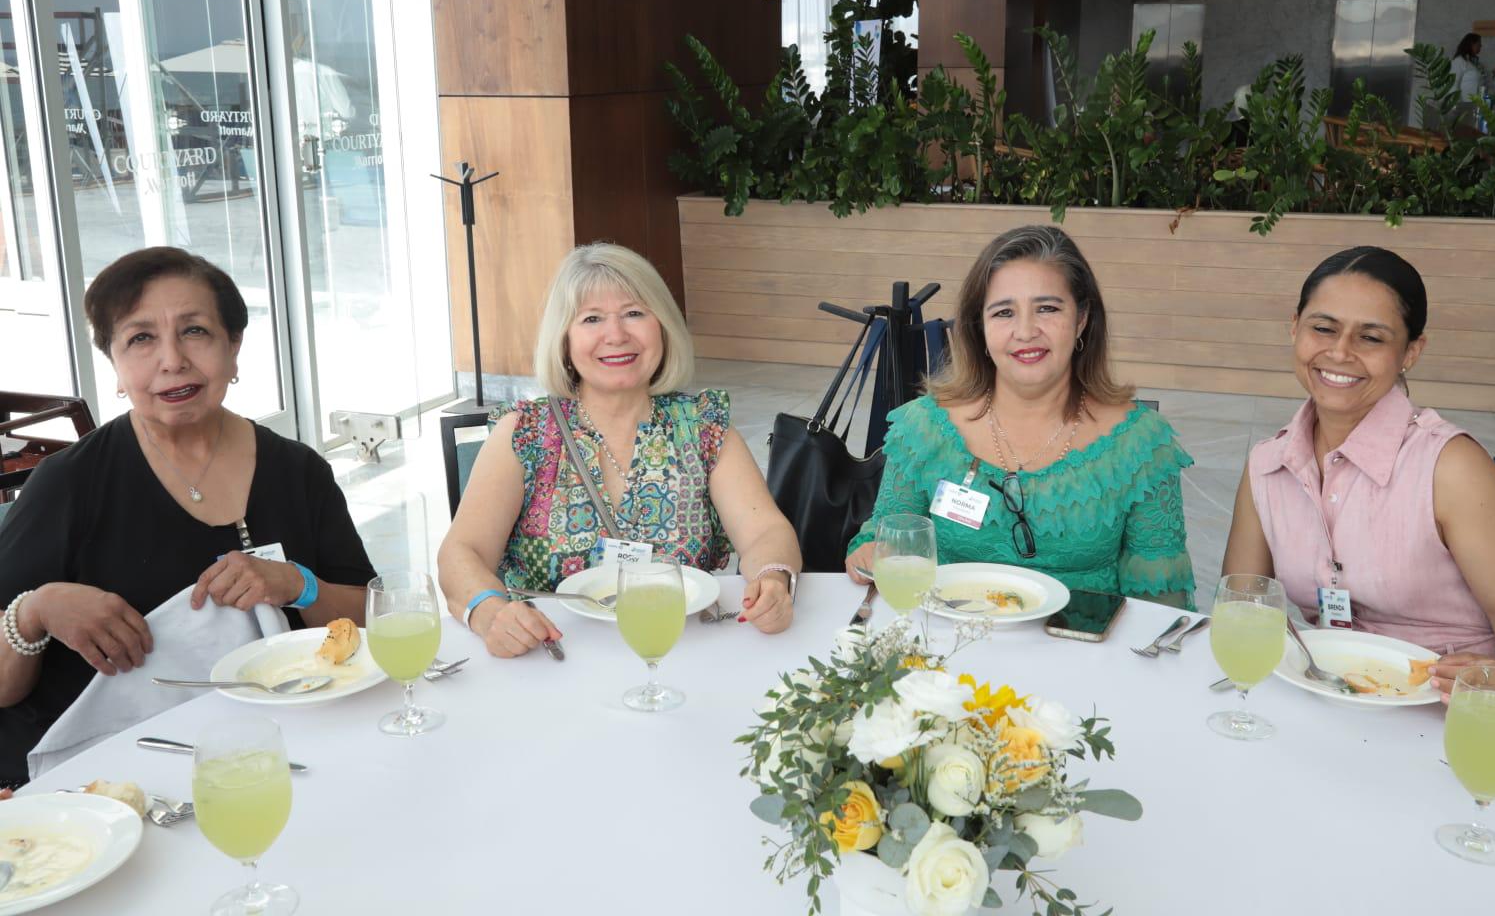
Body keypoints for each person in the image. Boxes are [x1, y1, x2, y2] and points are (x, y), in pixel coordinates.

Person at [0, 247, 374, 786]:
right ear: (116, 365)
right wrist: (36, 610)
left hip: (277, 753)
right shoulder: (68, 483)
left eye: (195, 331)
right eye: (141, 338)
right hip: (109, 778)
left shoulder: (299, 471)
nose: (171, 359)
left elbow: (372, 619)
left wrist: (300, 585)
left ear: (234, 347)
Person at [1222, 247, 1495, 725]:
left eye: (1372, 337)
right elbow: (1241, 607)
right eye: (1323, 327)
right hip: (1337, 711)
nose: (1339, 352)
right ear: (1293, 326)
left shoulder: (1451, 466)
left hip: (1467, 721)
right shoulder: (1267, 464)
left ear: (1411, 352)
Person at [438, 243, 802, 655]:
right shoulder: (526, 433)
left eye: (634, 313)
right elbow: (461, 552)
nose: (616, 335)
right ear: (565, 340)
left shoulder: (702, 427)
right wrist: (489, 613)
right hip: (552, 655)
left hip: (677, 650)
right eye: (592, 318)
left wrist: (774, 578)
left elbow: (766, 531)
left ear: (662, 326)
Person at [845, 225, 1196, 608]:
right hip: (949, 651)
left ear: (1081, 319)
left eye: (1047, 308)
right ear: (979, 328)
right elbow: (883, 539)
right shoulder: (924, 430)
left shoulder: (1140, 446)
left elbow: (1163, 608)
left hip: (1083, 657)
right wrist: (868, 554)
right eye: (1004, 312)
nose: (1026, 331)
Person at [1449, 32, 1495, 104]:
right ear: (1471, 44)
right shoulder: (1459, 61)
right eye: (1479, 44)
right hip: (1465, 105)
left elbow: (1487, 77)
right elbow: (1453, 84)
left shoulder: (1475, 63)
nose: (1481, 46)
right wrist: (1457, 105)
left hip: (1477, 104)